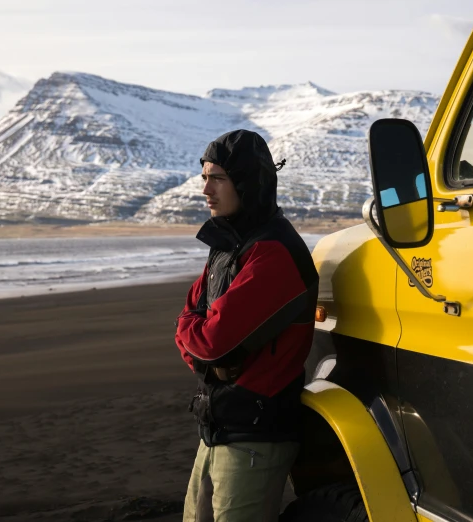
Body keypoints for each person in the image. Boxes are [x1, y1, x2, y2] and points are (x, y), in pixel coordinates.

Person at [174, 129, 319, 521]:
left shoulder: (273, 252)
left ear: (248, 182)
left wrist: (203, 345)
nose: (206, 190)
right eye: (204, 177)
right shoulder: (228, 247)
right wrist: (204, 351)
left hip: (255, 437)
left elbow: (212, 339)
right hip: (217, 427)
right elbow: (189, 323)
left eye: (217, 178)